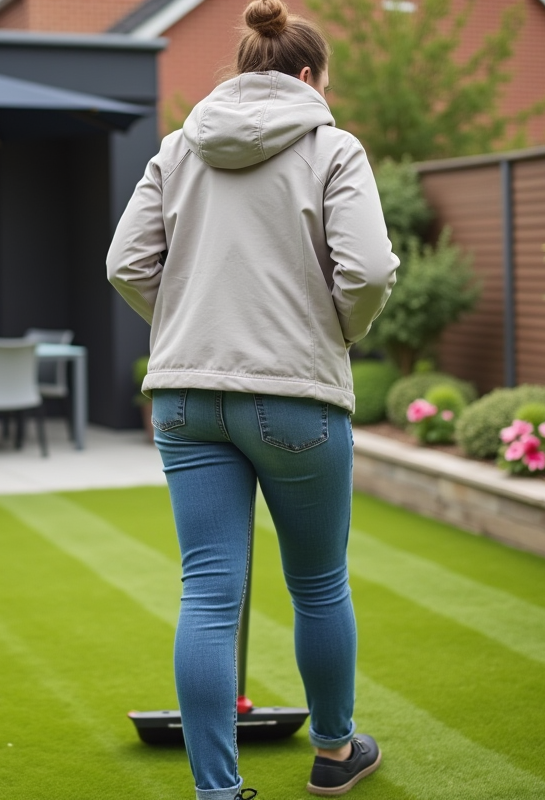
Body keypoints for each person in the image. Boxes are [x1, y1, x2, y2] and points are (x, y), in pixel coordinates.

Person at [106, 0, 399, 797]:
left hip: (183, 399)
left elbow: (125, 264)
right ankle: (336, 754)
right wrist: (333, 334)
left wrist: (184, 327)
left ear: (243, 73)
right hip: (295, 398)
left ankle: (217, 790)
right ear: (308, 77)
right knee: (318, 584)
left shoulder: (176, 148)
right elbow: (369, 273)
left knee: (206, 592)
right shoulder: (334, 147)